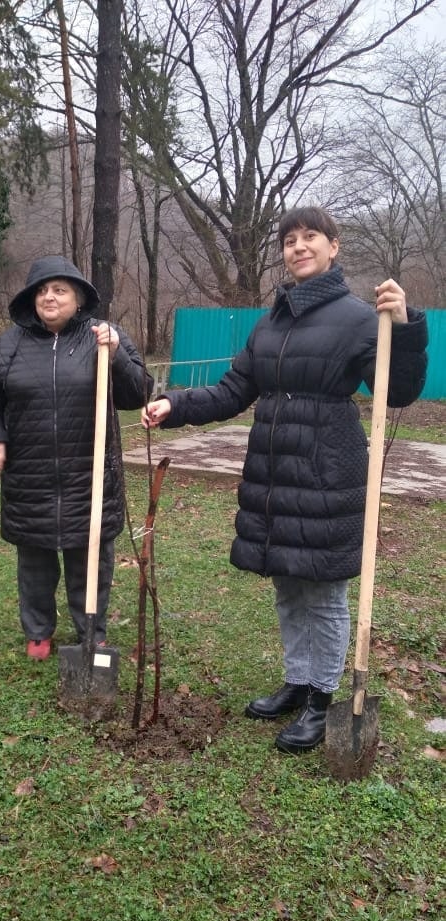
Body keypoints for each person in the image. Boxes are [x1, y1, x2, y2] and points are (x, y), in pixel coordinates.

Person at [142, 207, 428, 753]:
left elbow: (400, 392)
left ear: (334, 247)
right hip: (274, 470)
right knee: (288, 583)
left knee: (322, 590)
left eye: (310, 238)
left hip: (327, 468)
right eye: (289, 239)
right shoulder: (270, 322)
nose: (298, 247)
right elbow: (231, 391)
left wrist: (407, 328)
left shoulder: (358, 318)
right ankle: (298, 681)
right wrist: (173, 404)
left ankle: (323, 699)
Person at [0, 256, 153, 660]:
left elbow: (137, 393)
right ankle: (38, 631)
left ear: (79, 297)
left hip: (88, 474)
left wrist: (118, 354)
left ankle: (91, 630)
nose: (48, 297)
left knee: (90, 560)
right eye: (41, 290)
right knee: (34, 560)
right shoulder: (10, 344)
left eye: (59, 290)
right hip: (29, 476)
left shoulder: (103, 336)